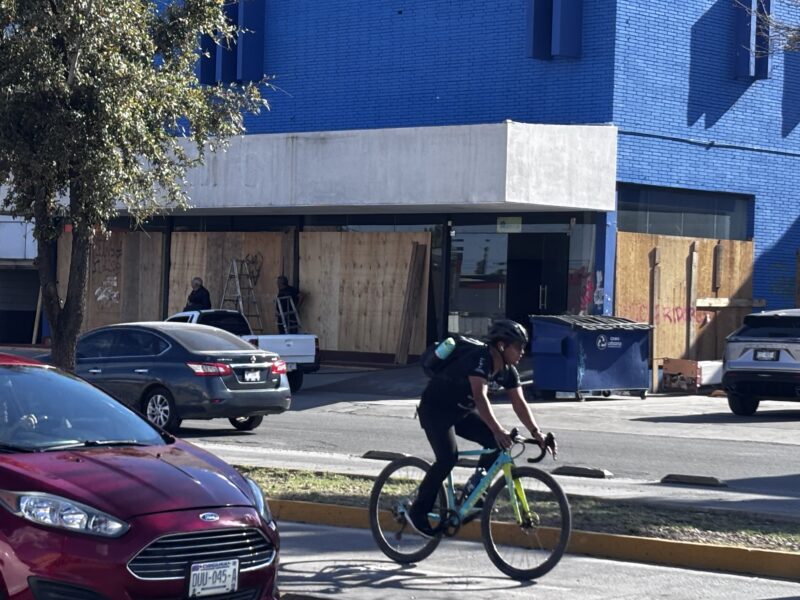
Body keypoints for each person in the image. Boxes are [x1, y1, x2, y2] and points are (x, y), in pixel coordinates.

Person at [407, 319, 552, 538]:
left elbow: (519, 404)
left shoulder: (508, 371)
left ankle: (474, 493)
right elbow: (480, 397)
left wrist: (536, 433)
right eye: (519, 346)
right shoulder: (480, 359)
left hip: (460, 412)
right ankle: (418, 511)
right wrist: (497, 428)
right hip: (435, 410)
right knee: (448, 458)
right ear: (502, 346)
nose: (523, 352)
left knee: (496, 446)